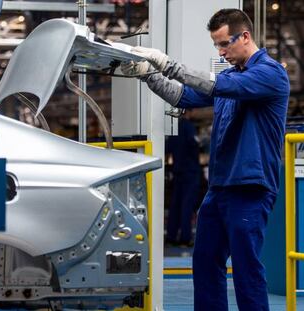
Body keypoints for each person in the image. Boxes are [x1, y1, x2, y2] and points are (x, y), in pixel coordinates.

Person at [121, 8, 290, 311]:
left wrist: (169, 64)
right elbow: (184, 96)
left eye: (225, 44)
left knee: (246, 268)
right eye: (217, 46)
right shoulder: (230, 76)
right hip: (220, 187)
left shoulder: (270, 74)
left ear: (245, 36)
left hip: (250, 188)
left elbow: (220, 86)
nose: (221, 52)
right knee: (205, 261)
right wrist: (148, 75)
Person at [165, 109, 201, 247]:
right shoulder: (189, 127)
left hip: (178, 171)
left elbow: (168, 148)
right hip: (190, 171)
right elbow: (194, 144)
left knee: (176, 205)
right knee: (187, 205)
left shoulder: (175, 129)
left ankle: (171, 236)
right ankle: (185, 238)